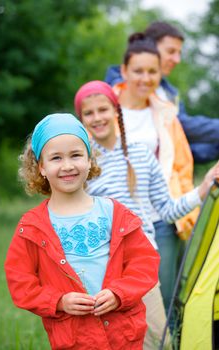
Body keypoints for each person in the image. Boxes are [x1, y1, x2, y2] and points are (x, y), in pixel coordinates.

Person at [74, 80, 219, 348]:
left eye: (102, 109)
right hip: (101, 269)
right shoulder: (81, 164)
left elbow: (167, 209)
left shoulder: (141, 154)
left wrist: (205, 186)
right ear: (81, 119)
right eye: (88, 113)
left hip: (141, 264)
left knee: (156, 341)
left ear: (115, 111)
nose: (97, 118)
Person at [4, 113, 160, 350]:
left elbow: (144, 264)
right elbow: (20, 282)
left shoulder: (115, 213)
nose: (67, 165)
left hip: (123, 334)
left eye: (76, 155)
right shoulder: (33, 227)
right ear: (41, 167)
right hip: (75, 338)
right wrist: (58, 301)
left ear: (90, 160)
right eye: (56, 158)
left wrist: (119, 293)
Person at [105, 21, 219, 163]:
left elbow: (181, 147)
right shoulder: (111, 89)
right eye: (171, 51)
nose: (177, 60)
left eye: (179, 53)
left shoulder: (171, 94)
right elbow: (182, 124)